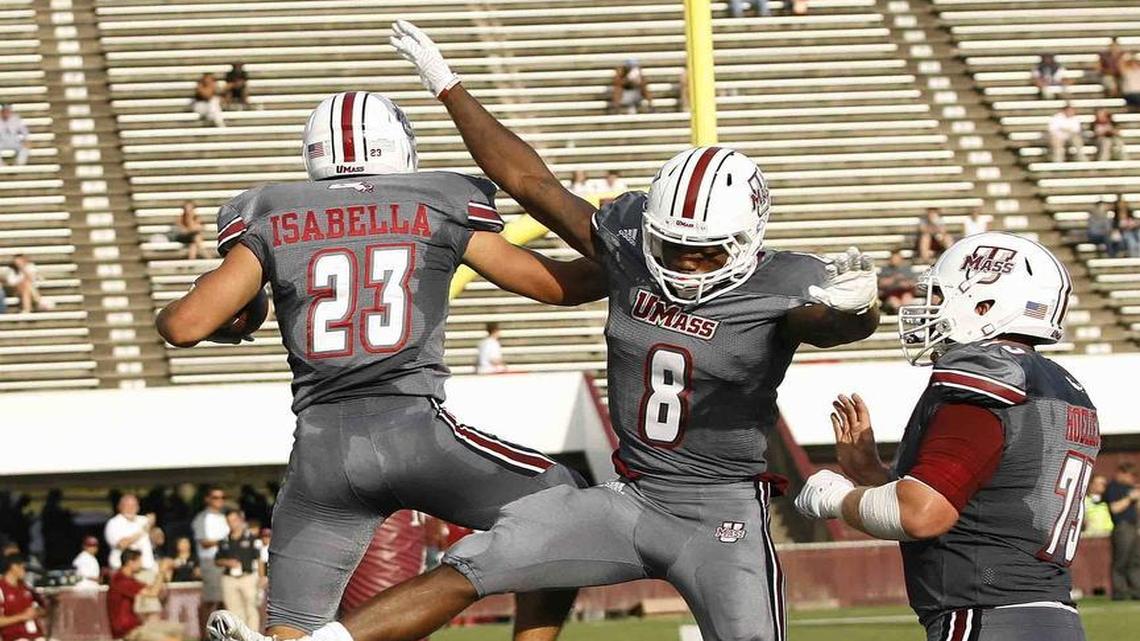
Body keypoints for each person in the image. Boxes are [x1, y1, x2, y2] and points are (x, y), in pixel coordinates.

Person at [207, 21, 881, 641]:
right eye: (670, 245)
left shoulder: (782, 281)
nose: (680, 262)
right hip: (631, 500)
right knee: (478, 559)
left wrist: (862, 309)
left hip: (723, 517)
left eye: (702, 251)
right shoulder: (630, 247)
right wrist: (449, 85)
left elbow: (826, 324)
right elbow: (528, 181)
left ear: (746, 240)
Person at [158, 84, 609, 641]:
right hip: (415, 433)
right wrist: (630, 260)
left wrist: (234, 308)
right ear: (399, 147)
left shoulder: (272, 214)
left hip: (321, 455)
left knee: (292, 630)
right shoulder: (435, 202)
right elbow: (557, 287)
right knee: (560, 504)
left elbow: (184, 326)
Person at [796, 232, 1096, 641]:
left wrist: (831, 497)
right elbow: (983, 506)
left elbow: (924, 515)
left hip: (985, 617)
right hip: (1052, 618)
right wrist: (873, 474)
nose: (930, 309)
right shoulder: (1061, 385)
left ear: (985, 305)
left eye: (941, 297)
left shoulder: (986, 372)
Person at [108, 550, 184, 641]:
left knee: (178, 630)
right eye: (139, 561)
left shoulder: (128, 579)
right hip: (127, 630)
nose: (141, 564)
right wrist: (162, 571)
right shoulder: (120, 580)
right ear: (130, 563)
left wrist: (164, 574)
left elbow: (153, 589)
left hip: (136, 626)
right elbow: (153, 593)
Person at [216, 511, 262, 632]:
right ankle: (239, 636)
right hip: (229, 578)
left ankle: (253, 636)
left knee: (251, 608)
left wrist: (262, 577)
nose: (232, 524)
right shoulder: (224, 541)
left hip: (248, 576)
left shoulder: (251, 538)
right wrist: (227, 562)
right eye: (229, 521)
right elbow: (217, 560)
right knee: (233, 610)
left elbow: (259, 559)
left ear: (240, 520)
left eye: (234, 520)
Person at [192, 488, 229, 634]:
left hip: (225, 561)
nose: (219, 500)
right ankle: (205, 634)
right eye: (215, 497)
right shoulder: (202, 518)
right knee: (211, 600)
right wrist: (224, 542)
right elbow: (203, 541)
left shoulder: (224, 517)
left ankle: (222, 633)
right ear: (207, 499)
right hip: (211, 561)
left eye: (222, 497)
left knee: (224, 600)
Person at [1104, 462, 1140, 600]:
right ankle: (1120, 592)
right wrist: (1130, 497)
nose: (1133, 478)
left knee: (1135, 561)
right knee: (1121, 561)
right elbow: (1115, 509)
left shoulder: (1130, 488)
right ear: (1122, 473)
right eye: (1131, 475)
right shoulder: (1113, 487)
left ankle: (1136, 590)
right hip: (1122, 527)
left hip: (1133, 526)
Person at [104, 494, 156, 572]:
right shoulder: (113, 523)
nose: (130, 508)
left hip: (147, 568)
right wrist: (143, 531)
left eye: (133, 505)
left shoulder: (143, 520)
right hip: (124, 570)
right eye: (127, 505)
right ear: (119, 507)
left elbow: (159, 540)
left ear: (138, 507)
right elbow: (122, 544)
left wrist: (153, 526)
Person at [0, 554, 44, 641]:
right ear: (14, 567)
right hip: (14, 637)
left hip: (35, 635)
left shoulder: (26, 587)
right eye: (23, 568)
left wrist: (37, 612)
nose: (25, 571)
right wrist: (22, 616)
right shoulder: (1, 589)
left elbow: (43, 608)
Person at [876, 249, 917, 314]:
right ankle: (900, 314)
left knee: (906, 297)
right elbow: (881, 283)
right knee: (894, 300)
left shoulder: (907, 269)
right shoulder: (885, 270)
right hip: (891, 294)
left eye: (897, 258)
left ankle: (905, 315)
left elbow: (913, 283)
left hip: (905, 292)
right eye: (894, 258)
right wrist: (894, 279)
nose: (895, 260)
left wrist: (905, 283)